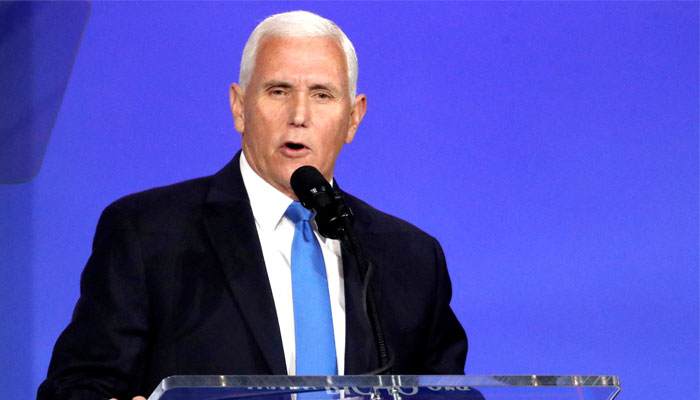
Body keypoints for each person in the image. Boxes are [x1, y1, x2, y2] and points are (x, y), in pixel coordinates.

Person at [37, 10, 467, 400]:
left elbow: (451, 394)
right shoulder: (147, 235)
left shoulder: (411, 256)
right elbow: (75, 386)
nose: (299, 114)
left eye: (322, 94)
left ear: (353, 118)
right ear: (239, 107)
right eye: (278, 91)